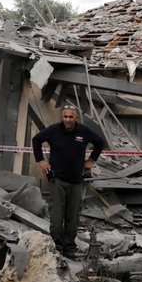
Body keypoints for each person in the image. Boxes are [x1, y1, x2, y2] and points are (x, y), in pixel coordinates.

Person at [32, 104, 105, 259]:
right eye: (65, 116)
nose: (67, 119)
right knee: (57, 218)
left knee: (72, 218)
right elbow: (36, 140)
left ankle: (69, 249)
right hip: (57, 180)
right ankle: (57, 248)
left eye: (70, 117)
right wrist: (41, 161)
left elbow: (100, 142)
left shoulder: (83, 132)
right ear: (62, 117)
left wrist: (91, 160)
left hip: (76, 182)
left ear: (75, 118)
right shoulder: (54, 130)